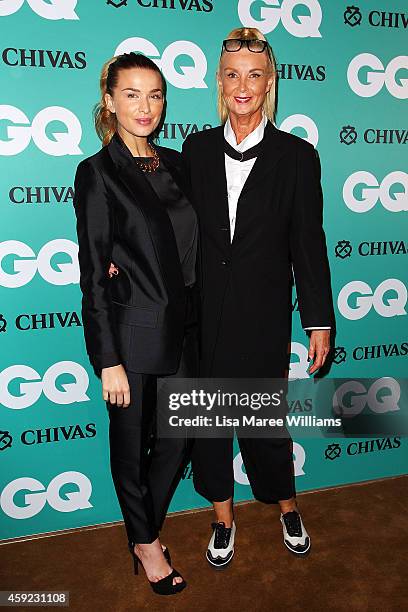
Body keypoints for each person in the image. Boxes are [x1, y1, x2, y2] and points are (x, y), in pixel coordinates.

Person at [182, 27, 335, 568]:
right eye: (231, 75)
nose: (241, 86)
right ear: (219, 83)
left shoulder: (298, 156)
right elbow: (172, 227)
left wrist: (318, 321)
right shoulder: (195, 149)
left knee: (264, 422)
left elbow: (308, 243)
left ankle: (286, 506)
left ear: (269, 83)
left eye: (253, 75)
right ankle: (222, 518)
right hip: (202, 315)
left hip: (264, 314)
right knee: (209, 423)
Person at [73, 52, 198, 595]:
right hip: (132, 334)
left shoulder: (177, 164)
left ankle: (140, 526)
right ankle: (146, 545)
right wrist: (107, 359)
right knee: (129, 446)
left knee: (181, 437)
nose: (145, 106)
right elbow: (94, 274)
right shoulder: (97, 174)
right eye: (131, 94)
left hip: (186, 330)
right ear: (110, 102)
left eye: (155, 94)